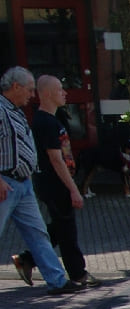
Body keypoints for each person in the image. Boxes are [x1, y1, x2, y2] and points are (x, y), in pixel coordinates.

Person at [12, 75, 96, 289]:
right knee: (67, 230)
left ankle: (27, 259)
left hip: (52, 182)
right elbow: (56, 159)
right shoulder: (45, 122)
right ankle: (78, 273)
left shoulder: (51, 119)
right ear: (47, 94)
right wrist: (73, 189)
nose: (65, 93)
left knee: (61, 226)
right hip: (54, 182)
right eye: (60, 89)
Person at [0, 67, 79, 295]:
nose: (32, 94)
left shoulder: (16, 111)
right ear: (16, 87)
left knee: (38, 232)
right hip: (6, 183)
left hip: (23, 184)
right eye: (29, 89)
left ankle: (57, 280)